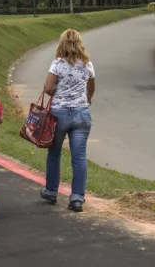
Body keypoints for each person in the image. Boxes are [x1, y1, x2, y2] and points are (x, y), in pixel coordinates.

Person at [40, 29, 95, 212]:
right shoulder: (87, 65)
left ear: (62, 43)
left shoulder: (57, 64)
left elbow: (48, 88)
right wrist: (86, 100)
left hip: (59, 114)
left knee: (54, 153)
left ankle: (51, 191)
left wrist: (59, 93)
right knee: (79, 158)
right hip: (81, 113)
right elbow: (91, 89)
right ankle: (77, 198)